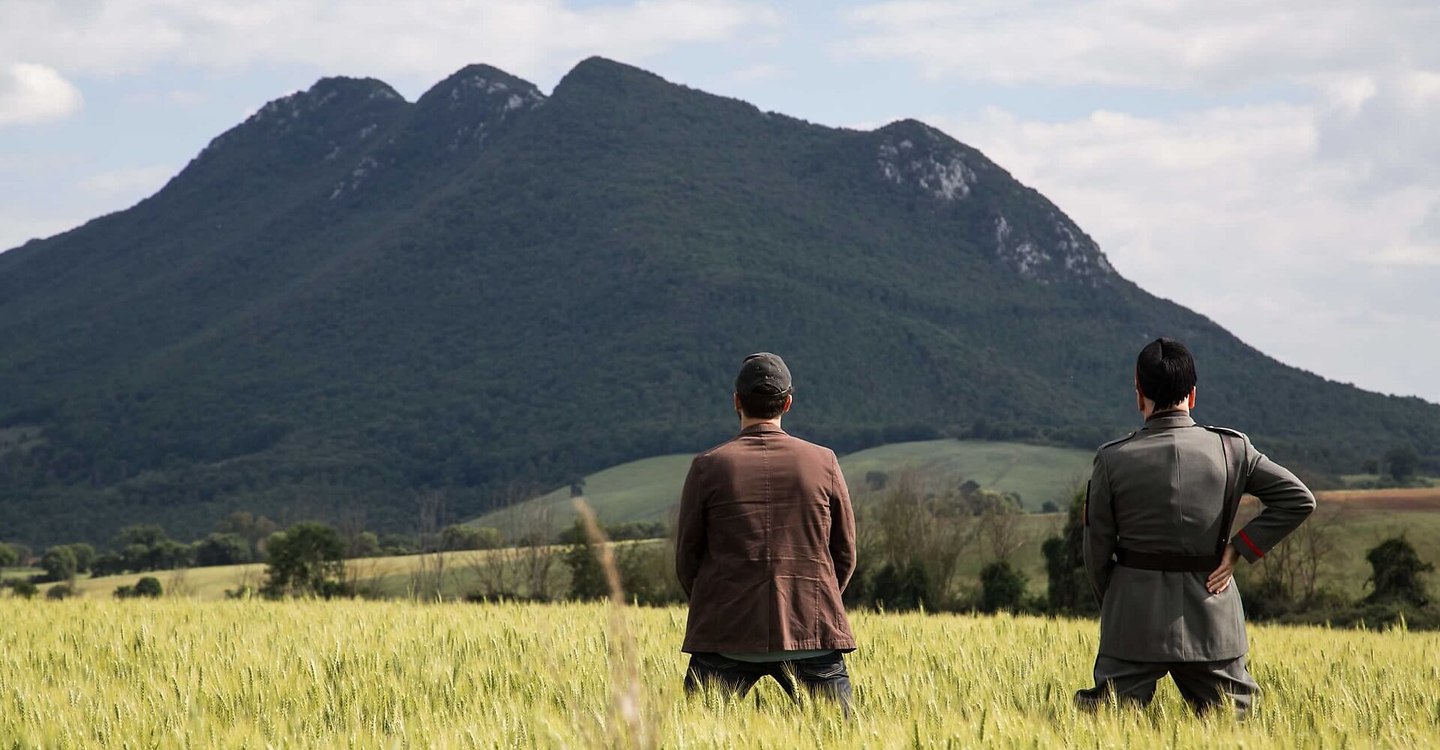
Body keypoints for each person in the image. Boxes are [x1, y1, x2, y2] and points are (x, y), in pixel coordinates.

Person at [1075, 337, 1315, 718]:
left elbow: (1097, 551)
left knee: (1104, 724)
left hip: (1133, 619)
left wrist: (1120, 602)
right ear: (1193, 394)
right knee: (1236, 728)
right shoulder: (1233, 449)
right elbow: (1299, 499)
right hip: (1214, 618)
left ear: (1139, 394)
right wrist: (1239, 548)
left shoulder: (1112, 459)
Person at [675, 352, 857, 712]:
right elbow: (845, 554)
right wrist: (815, 597)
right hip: (811, 627)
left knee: (692, 735)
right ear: (788, 403)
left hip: (726, 631)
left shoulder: (708, 467)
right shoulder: (825, 462)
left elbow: (687, 558)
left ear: (736, 401)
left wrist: (716, 604)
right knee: (842, 738)